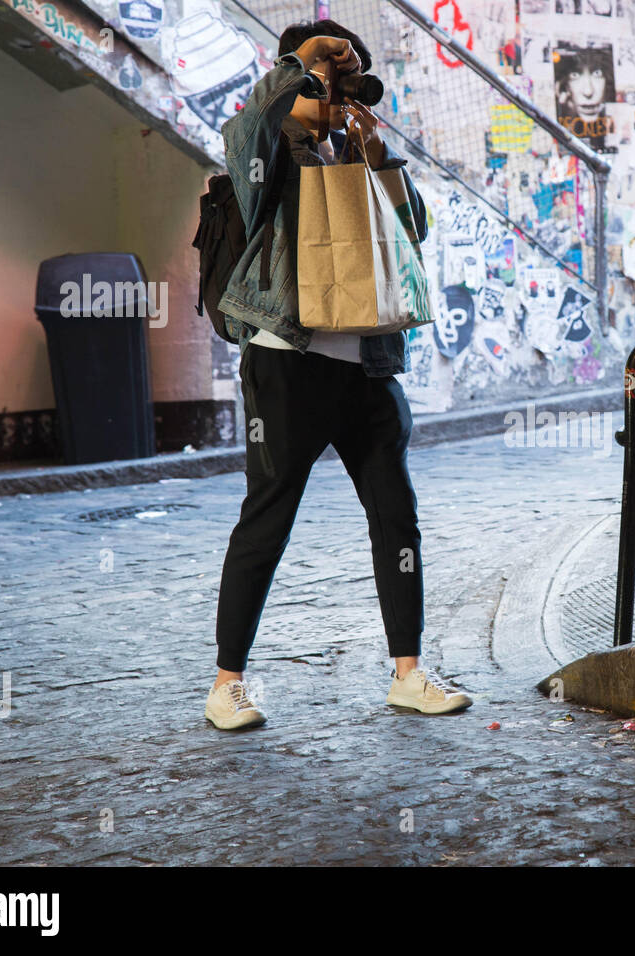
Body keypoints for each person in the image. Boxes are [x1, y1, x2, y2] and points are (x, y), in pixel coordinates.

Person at [205, 19, 473, 729]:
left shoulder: (351, 153)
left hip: (369, 369)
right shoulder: (262, 156)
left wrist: (380, 161)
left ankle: (408, 672)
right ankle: (226, 683)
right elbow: (248, 123)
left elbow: (411, 235)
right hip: (286, 364)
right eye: (322, 83)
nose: (333, 95)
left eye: (340, 82)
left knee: (397, 516)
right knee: (267, 521)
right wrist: (305, 62)